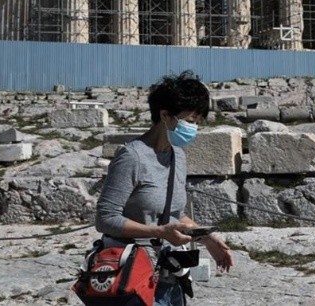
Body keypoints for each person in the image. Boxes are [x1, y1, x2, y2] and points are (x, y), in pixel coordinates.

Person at [95, 71, 234, 305]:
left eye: (198, 122)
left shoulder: (177, 156)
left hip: (169, 276)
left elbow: (174, 215)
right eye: (190, 121)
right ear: (166, 116)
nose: (194, 128)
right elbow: (105, 219)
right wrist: (159, 232)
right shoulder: (132, 157)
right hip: (133, 276)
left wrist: (207, 238)